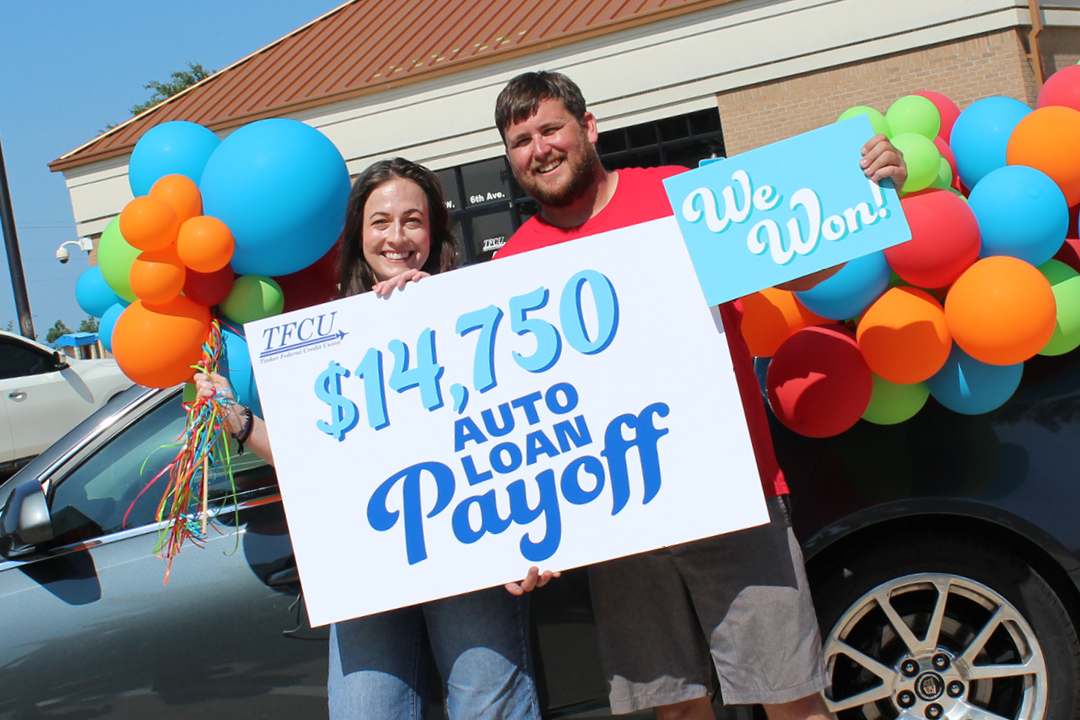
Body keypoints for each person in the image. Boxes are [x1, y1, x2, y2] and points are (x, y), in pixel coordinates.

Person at [493, 71, 907, 720]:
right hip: (619, 519)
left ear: (588, 127)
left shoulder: (677, 197)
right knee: (675, 710)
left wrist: (869, 193)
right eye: (521, 141)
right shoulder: (508, 268)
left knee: (792, 699)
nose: (539, 149)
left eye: (550, 129)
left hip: (731, 493)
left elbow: (799, 264)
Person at [194, 157, 542, 720]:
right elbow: (311, 457)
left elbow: (528, 431)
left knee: (491, 711)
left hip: (473, 548)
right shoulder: (326, 335)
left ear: (435, 232)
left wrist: (439, 309)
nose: (396, 237)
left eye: (413, 220)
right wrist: (238, 418)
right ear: (358, 234)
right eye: (380, 221)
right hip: (367, 557)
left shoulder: (479, 311)